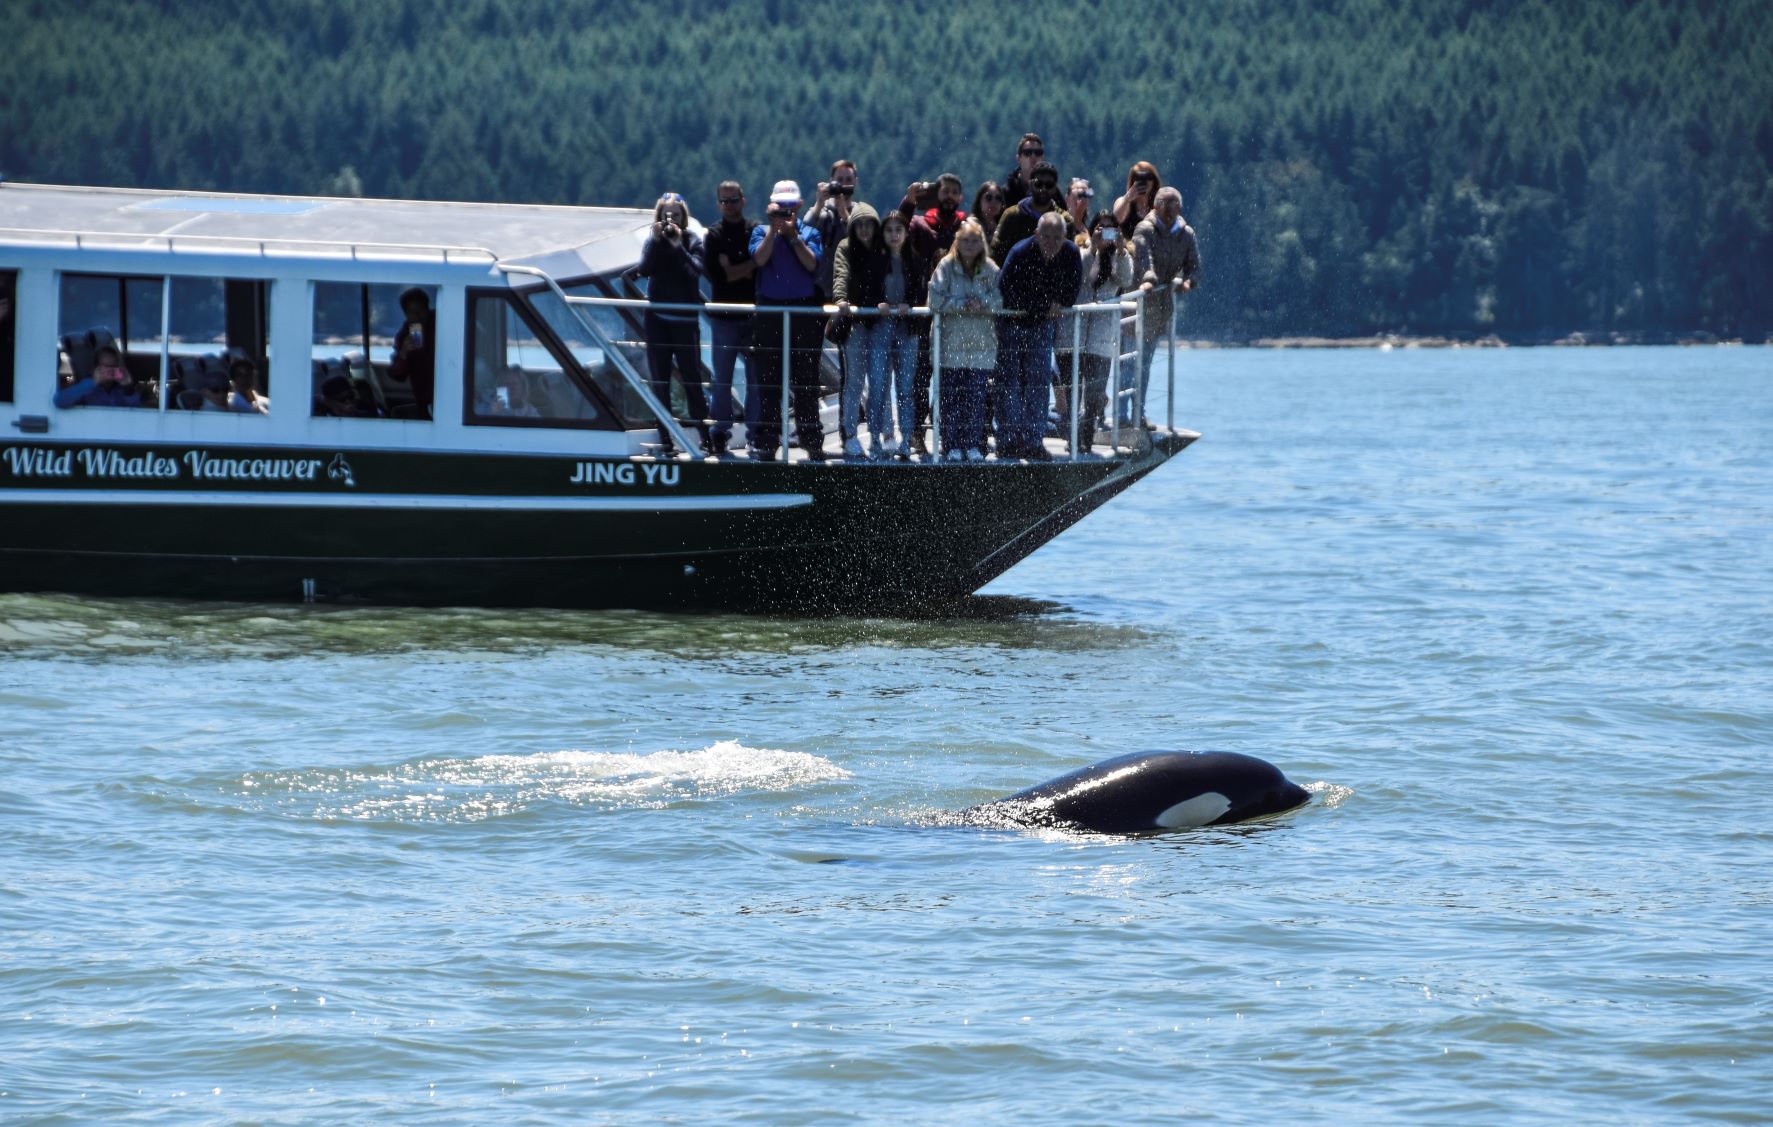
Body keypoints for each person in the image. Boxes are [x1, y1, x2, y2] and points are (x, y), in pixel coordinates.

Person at [748, 180, 827, 461]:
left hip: (803, 312)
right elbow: (759, 260)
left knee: (805, 379)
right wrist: (773, 230)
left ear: (800, 206)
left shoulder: (811, 233)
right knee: (768, 380)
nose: (786, 213)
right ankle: (767, 440)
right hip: (770, 311)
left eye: (790, 207)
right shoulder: (760, 231)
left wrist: (793, 236)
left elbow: (812, 264)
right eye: (781, 208)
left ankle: (811, 438)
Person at [995, 211, 1081, 460]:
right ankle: (1008, 440)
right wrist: (1044, 305)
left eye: (1057, 237)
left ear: (1065, 237)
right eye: (1046, 236)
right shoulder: (1020, 252)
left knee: (1039, 381)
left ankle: (1033, 440)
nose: (1051, 242)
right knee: (1008, 381)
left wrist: (1059, 303)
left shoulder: (1071, 253)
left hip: (1042, 326)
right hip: (1011, 323)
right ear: (1036, 234)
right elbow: (1005, 292)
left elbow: (1072, 289)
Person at [631, 192, 710, 456]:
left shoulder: (691, 240)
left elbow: (696, 271)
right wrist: (655, 241)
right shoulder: (653, 242)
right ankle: (665, 437)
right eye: (666, 215)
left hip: (685, 322)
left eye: (675, 215)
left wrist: (678, 247)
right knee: (660, 382)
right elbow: (644, 268)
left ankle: (705, 435)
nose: (671, 220)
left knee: (692, 380)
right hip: (657, 322)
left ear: (683, 218)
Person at [1054, 211, 1133, 451]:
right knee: (1071, 390)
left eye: (1110, 229)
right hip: (1071, 332)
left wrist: (1120, 250)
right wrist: (1094, 249)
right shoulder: (1079, 255)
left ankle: (1086, 439)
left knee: (1095, 392)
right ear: (1090, 229)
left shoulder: (1119, 259)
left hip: (1101, 335)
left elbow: (1126, 279)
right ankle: (1071, 438)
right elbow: (1076, 276)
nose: (1103, 232)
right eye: (1099, 227)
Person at [926, 218, 1001, 461]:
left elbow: (1000, 299)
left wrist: (983, 304)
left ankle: (973, 444)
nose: (969, 245)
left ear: (982, 244)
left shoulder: (990, 269)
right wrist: (962, 305)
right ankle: (951, 445)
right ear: (957, 242)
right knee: (950, 399)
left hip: (981, 347)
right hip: (951, 346)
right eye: (965, 240)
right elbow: (934, 300)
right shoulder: (945, 267)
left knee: (976, 399)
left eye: (974, 241)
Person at [1128, 185, 1201, 427]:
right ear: (1156, 206)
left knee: (1146, 362)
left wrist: (1189, 281)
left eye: (1174, 205)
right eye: (1166, 205)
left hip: (1162, 307)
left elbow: (1194, 266)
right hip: (1136, 306)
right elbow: (1143, 258)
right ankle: (1121, 416)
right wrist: (1149, 279)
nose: (1170, 210)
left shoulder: (1186, 233)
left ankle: (1138, 413)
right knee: (1130, 362)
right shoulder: (1145, 229)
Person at [701, 180, 757, 457]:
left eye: (733, 200)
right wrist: (746, 267)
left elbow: (757, 268)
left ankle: (756, 433)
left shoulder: (754, 230)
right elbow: (722, 276)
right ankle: (719, 433)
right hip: (723, 317)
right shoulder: (712, 236)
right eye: (724, 201)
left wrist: (737, 269)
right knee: (721, 378)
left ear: (743, 200)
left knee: (756, 377)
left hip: (754, 316)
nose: (729, 206)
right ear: (718, 204)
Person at [831, 202, 886, 458]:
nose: (864, 230)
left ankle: (878, 436)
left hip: (879, 322)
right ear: (853, 228)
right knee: (853, 382)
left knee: (878, 381)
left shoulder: (884, 249)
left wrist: (894, 300)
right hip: (854, 322)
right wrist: (840, 299)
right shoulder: (845, 247)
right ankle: (851, 436)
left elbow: (895, 276)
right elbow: (841, 273)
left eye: (869, 224)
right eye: (859, 225)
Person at [874, 211, 930, 459]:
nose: (894, 235)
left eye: (899, 230)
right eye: (889, 230)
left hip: (908, 330)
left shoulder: (917, 261)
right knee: (880, 386)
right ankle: (881, 439)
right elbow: (865, 290)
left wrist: (911, 304)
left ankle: (906, 439)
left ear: (906, 234)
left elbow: (922, 293)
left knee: (905, 388)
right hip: (882, 327)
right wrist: (878, 303)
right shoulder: (875, 261)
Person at [990, 161, 1077, 265]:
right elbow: (996, 255)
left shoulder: (1065, 221)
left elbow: (1069, 261)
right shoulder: (1012, 216)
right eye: (1038, 184)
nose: (1043, 189)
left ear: (1055, 188)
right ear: (1030, 184)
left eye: (1049, 185)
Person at [803, 159, 858, 302]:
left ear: (855, 182)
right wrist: (819, 203)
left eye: (848, 179)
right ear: (831, 181)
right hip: (818, 290)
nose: (844, 184)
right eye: (839, 180)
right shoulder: (822, 211)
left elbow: (859, 239)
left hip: (849, 290)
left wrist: (843, 212)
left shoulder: (860, 213)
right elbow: (805, 229)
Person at [388, 287, 435, 418]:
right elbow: (397, 375)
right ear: (405, 313)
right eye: (412, 312)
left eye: (421, 310)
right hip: (423, 398)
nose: (418, 316)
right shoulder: (404, 336)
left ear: (427, 308)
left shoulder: (443, 324)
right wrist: (403, 353)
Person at [53, 344, 142, 408]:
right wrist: (93, 382)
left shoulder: (120, 390)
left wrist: (127, 388)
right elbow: (59, 401)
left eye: (113, 367)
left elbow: (136, 411)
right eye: (105, 367)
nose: (109, 371)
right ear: (94, 368)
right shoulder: (85, 388)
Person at [1113, 161, 1162, 235]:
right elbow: (1115, 220)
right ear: (1133, 181)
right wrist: (1127, 199)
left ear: (1154, 181)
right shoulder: (1124, 202)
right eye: (1139, 177)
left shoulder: (1159, 205)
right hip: (1126, 245)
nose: (1144, 181)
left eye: (1148, 177)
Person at [1002, 133, 1045, 208]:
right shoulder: (1006, 193)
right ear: (1019, 158)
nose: (1033, 156)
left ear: (1042, 158)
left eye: (1038, 153)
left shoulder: (1050, 190)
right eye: (1028, 153)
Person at [313, 373, 377, 418]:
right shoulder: (320, 419)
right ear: (329, 402)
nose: (349, 402)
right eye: (342, 400)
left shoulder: (362, 416)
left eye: (351, 397)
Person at [972, 181, 1005, 248]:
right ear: (979, 201)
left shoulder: (1004, 227)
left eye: (998, 198)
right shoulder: (970, 226)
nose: (994, 201)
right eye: (988, 197)